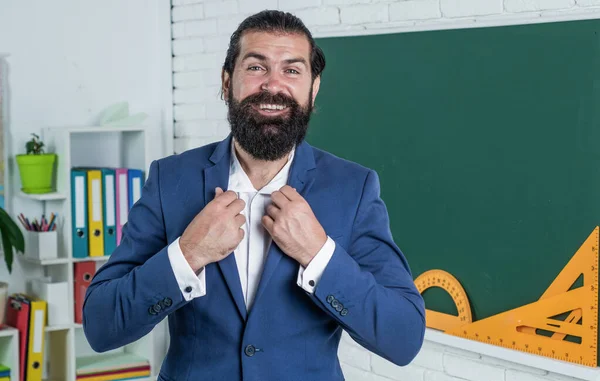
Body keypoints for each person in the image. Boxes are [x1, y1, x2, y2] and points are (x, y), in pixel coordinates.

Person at [82, 10, 425, 381]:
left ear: (313, 88)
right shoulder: (170, 180)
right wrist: (188, 254)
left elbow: (403, 337)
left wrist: (319, 254)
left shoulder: (353, 188)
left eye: (292, 70)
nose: (273, 86)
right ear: (227, 81)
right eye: (256, 68)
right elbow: (101, 326)